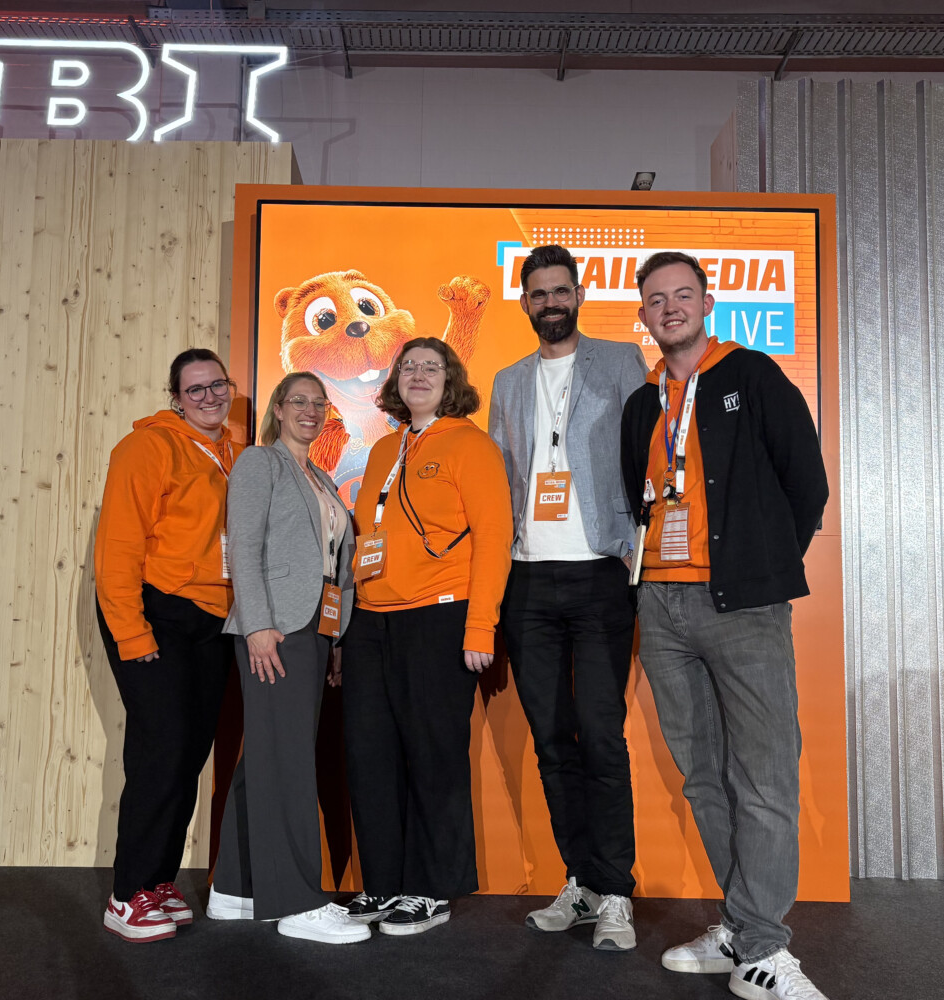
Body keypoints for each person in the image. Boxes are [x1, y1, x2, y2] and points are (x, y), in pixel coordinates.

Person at [620, 252, 830, 1000]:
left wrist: (760, 565)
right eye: (656, 300)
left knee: (763, 776)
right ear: (643, 315)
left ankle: (766, 947)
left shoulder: (753, 375)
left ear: (707, 304)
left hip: (742, 605)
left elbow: (808, 484)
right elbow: (639, 500)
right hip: (661, 607)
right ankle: (742, 927)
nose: (670, 308)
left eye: (683, 295)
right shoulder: (642, 403)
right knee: (704, 777)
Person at [487, 245, 648, 951]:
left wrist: (638, 541)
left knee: (602, 737)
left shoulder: (620, 361)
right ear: (525, 303)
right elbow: (498, 480)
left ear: (578, 295)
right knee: (553, 740)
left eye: (560, 290)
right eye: (538, 293)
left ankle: (616, 892)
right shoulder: (507, 380)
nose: (550, 302)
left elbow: (647, 452)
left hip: (600, 574)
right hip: (527, 579)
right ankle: (580, 880)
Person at [339, 337, 513, 935]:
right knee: (370, 755)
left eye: (430, 367)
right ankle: (383, 883)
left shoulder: (472, 445)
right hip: (371, 620)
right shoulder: (383, 449)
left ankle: (430, 889)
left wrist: (480, 625)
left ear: (450, 380)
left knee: (434, 757)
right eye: (408, 366)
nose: (417, 375)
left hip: (440, 616)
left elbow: (494, 538)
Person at [208, 372, 368, 945]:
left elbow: (333, 564)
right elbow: (244, 546)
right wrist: (257, 625)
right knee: (290, 763)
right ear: (277, 409)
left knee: (270, 759)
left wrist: (335, 638)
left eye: (319, 402)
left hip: (314, 630)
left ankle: (235, 889)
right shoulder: (261, 463)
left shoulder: (320, 477)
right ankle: (297, 902)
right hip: (274, 627)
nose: (310, 410)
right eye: (298, 400)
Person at [94, 348, 243, 943]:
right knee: (160, 752)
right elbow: (118, 549)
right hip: (157, 612)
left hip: (213, 619)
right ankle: (126, 894)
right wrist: (132, 633)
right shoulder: (146, 447)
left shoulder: (235, 453)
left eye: (217, 385)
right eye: (195, 389)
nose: (209, 396)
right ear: (176, 398)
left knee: (187, 754)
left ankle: (156, 881)